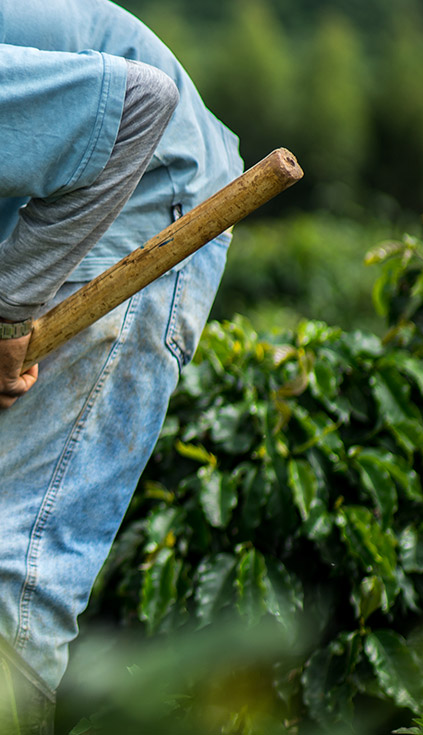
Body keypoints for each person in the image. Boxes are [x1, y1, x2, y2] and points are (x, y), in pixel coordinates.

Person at [0, 1, 243, 731]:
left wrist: (11, 309)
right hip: (68, 189)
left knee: (14, 559)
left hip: (144, 199)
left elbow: (140, 103)